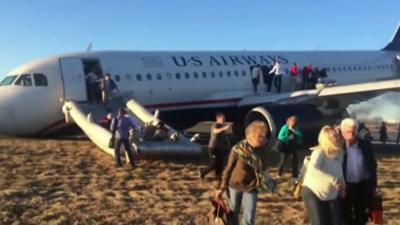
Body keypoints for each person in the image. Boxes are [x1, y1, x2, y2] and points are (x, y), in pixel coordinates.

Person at [216, 120, 270, 225]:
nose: (265, 139)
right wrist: (222, 188)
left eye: (265, 136)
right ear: (254, 136)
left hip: (252, 187)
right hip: (235, 185)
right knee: (233, 215)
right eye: (262, 136)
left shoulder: (262, 149)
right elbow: (228, 169)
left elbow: (263, 167)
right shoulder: (237, 150)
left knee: (249, 217)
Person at [302, 126, 345, 225]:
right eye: (335, 136)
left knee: (334, 221)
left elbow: (339, 171)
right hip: (313, 191)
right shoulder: (319, 152)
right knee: (319, 222)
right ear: (327, 139)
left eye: (338, 135)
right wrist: (333, 180)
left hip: (331, 193)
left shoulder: (339, 153)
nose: (338, 137)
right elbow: (313, 170)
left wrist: (343, 187)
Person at [340, 118, 377, 225]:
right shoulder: (338, 147)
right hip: (345, 187)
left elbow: (372, 165)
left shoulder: (366, 145)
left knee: (361, 216)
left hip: (362, 186)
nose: (351, 134)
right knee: (345, 216)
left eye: (353, 131)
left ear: (357, 131)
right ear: (342, 132)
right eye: (348, 132)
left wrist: (373, 185)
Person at [199, 113, 230, 185]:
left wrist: (227, 143)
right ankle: (202, 171)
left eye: (225, 119)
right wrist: (224, 128)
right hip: (213, 148)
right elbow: (215, 131)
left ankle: (218, 178)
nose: (224, 120)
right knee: (214, 163)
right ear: (218, 119)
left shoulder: (222, 126)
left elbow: (223, 137)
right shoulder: (215, 125)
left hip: (220, 148)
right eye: (223, 119)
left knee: (220, 163)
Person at [277, 116, 303, 181]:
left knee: (294, 161)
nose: (293, 124)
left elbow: (301, 135)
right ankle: (279, 173)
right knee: (283, 161)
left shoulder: (296, 128)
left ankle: (294, 176)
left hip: (293, 146)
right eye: (292, 122)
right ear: (289, 122)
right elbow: (280, 136)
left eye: (295, 122)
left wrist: (293, 130)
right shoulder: (284, 127)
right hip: (285, 146)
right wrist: (287, 138)